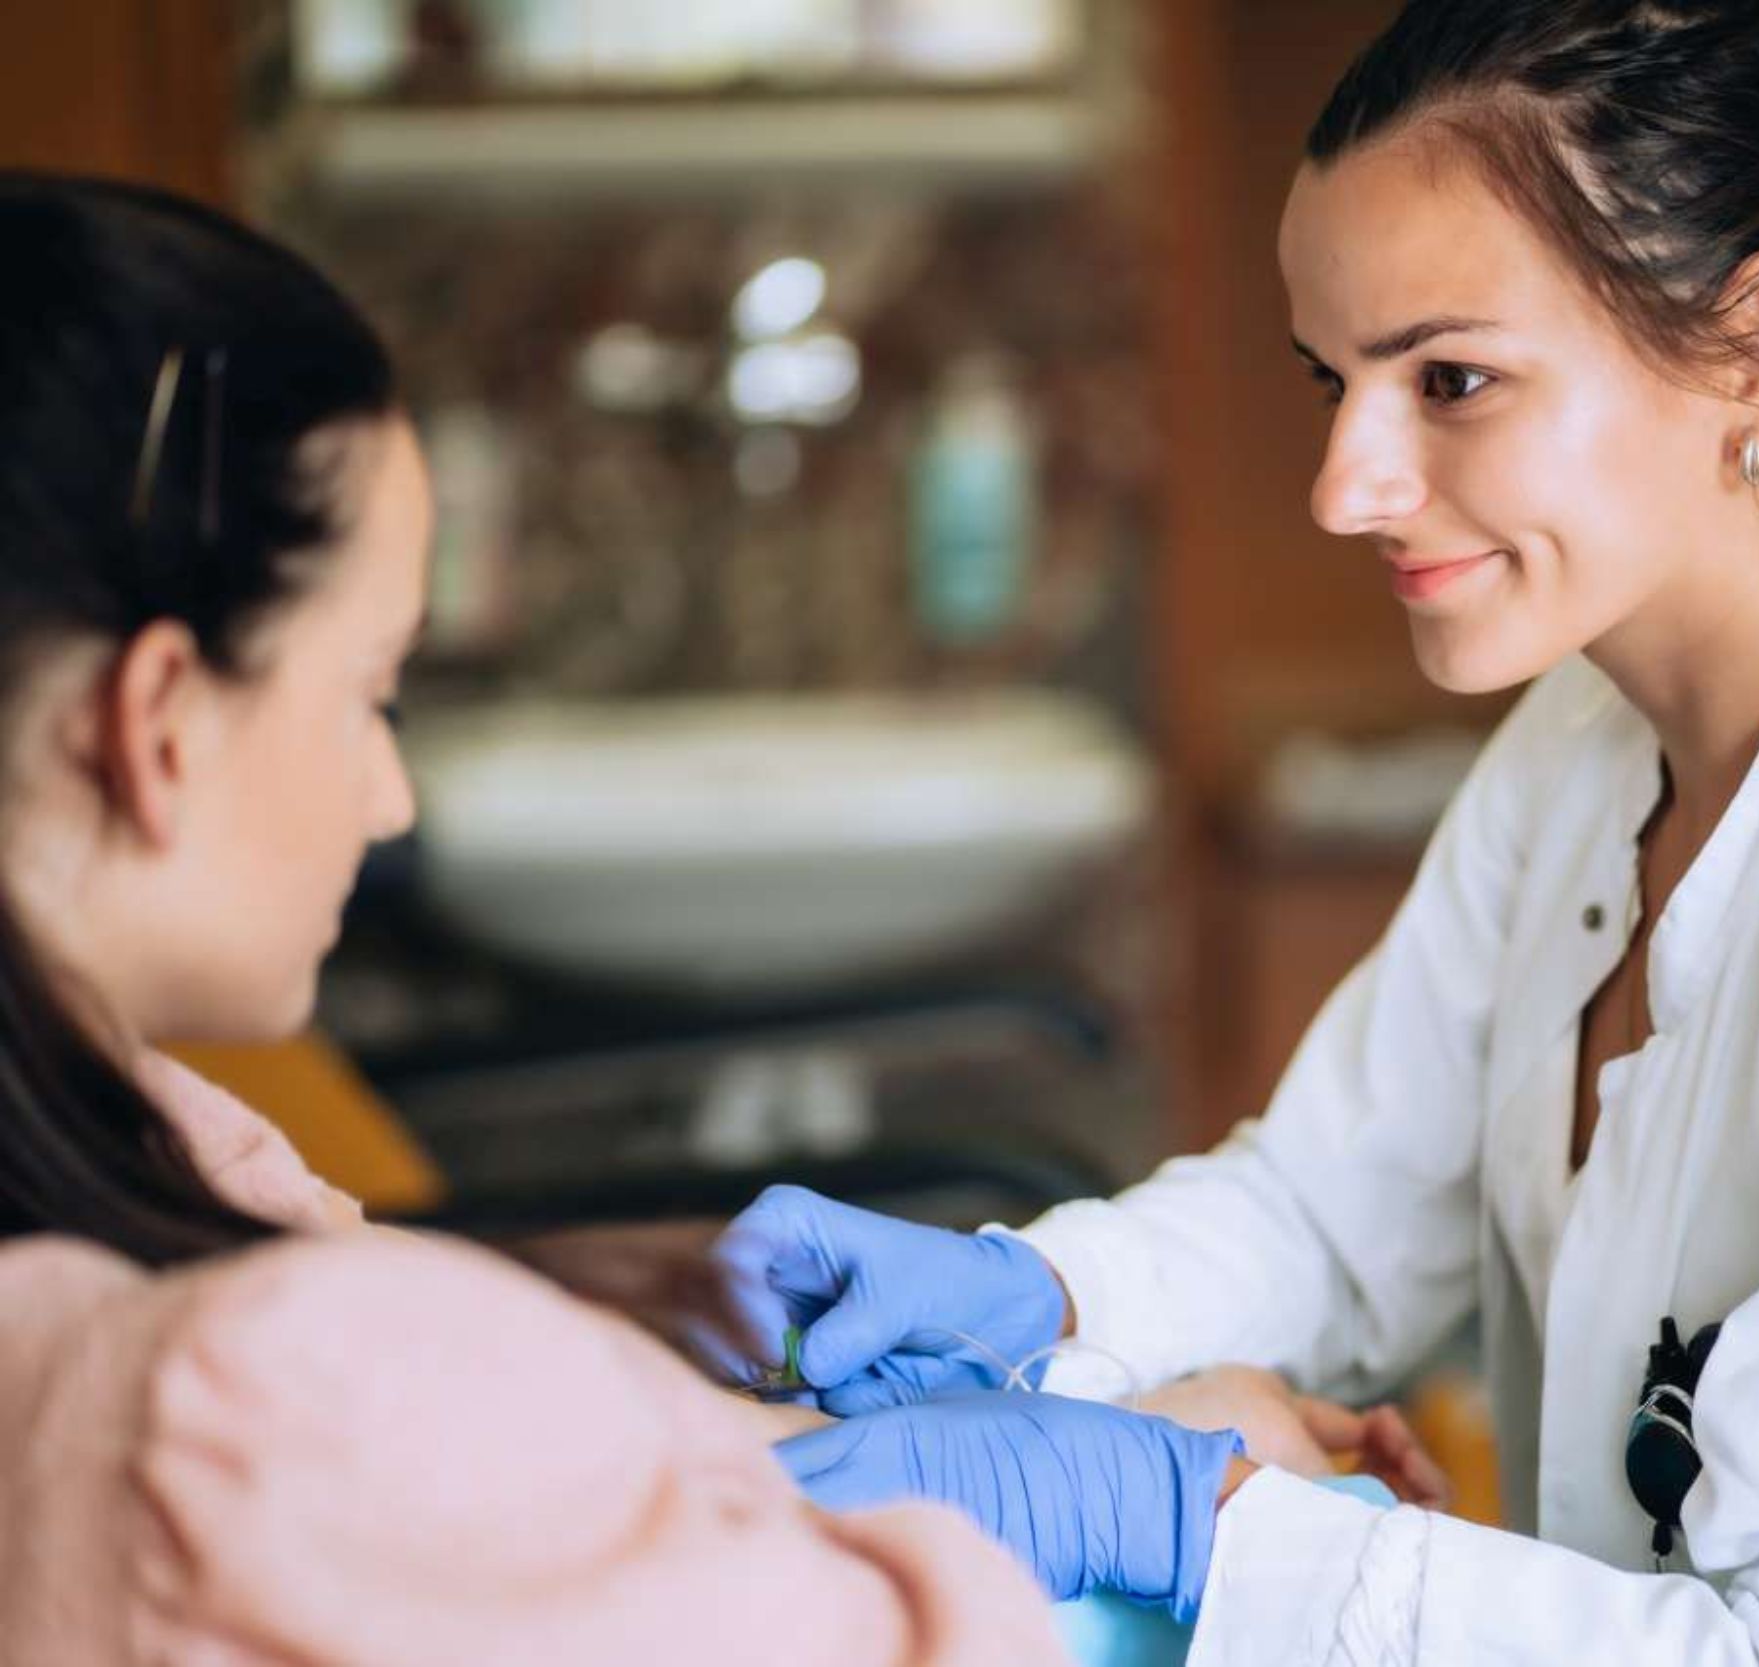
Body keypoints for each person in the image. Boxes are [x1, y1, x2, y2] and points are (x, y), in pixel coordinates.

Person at [728, 2, 1759, 1662]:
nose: (1344, 483)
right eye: (1338, 380)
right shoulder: (1584, 755)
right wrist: (1038, 1300)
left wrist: (1204, 1532)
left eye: (1449, 378)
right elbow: (1341, 1211)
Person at [0, 173, 1074, 1666]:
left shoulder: (140, 1166)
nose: (389, 801)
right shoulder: (240, 1404)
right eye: (369, 695)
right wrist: (1050, 1512)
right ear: (162, 723)